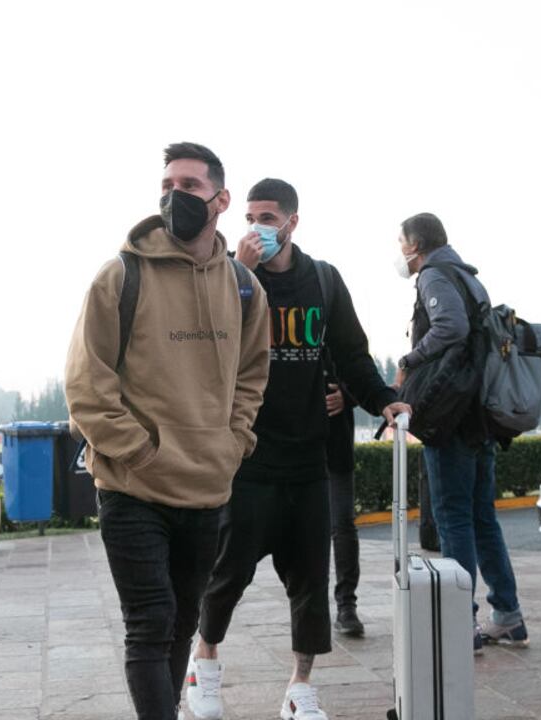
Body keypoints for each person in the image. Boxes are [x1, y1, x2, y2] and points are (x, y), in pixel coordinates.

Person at [186, 178, 409, 720]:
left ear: (292, 221)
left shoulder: (323, 281)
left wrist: (385, 400)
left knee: (311, 580)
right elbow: (202, 340)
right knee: (228, 572)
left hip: (308, 457)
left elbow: (353, 354)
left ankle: (299, 687)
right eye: (251, 217)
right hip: (249, 457)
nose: (259, 227)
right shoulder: (232, 277)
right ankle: (204, 663)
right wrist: (240, 271)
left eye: (269, 217)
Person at [64, 142, 271, 720]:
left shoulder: (244, 287)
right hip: (134, 488)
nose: (174, 196)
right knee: (150, 622)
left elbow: (254, 375)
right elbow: (86, 382)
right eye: (168, 184)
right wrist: (141, 451)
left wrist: (233, 443)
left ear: (220, 200)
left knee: (182, 622)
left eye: (189, 186)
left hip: (207, 485)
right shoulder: (120, 275)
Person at [392, 211, 528, 653]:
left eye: (400, 243)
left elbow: (451, 327)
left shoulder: (434, 275)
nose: (399, 252)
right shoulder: (468, 276)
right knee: (482, 518)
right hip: (478, 415)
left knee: (454, 519)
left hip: (451, 415)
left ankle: (459, 622)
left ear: (415, 245)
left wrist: (412, 360)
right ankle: (507, 616)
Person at [323, 381, 363, 637]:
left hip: (336, 445)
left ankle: (346, 605)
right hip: (290, 443)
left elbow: (363, 376)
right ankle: (309, 605)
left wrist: (346, 395)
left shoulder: (341, 339)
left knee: (343, 525)